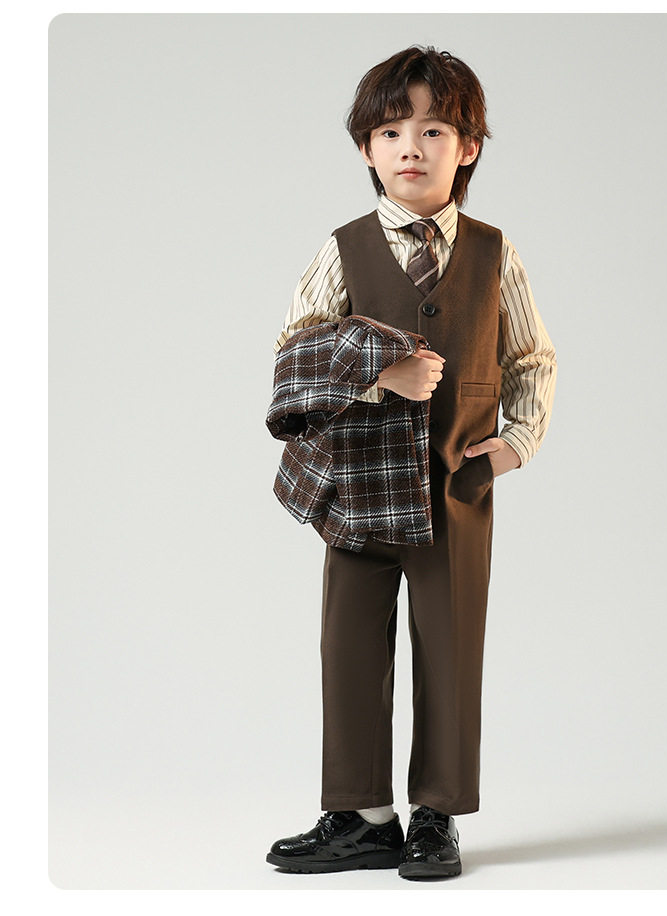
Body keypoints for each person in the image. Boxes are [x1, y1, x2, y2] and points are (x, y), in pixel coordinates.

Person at [266, 45, 557, 880]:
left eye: (434, 130)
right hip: (359, 492)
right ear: (366, 147)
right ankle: (361, 817)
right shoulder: (343, 249)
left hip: (456, 491)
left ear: (468, 147)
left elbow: (531, 357)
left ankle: (436, 816)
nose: (411, 148)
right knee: (350, 648)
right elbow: (293, 356)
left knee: (451, 653)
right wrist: (377, 374)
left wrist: (514, 445)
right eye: (391, 131)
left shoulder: (495, 253)